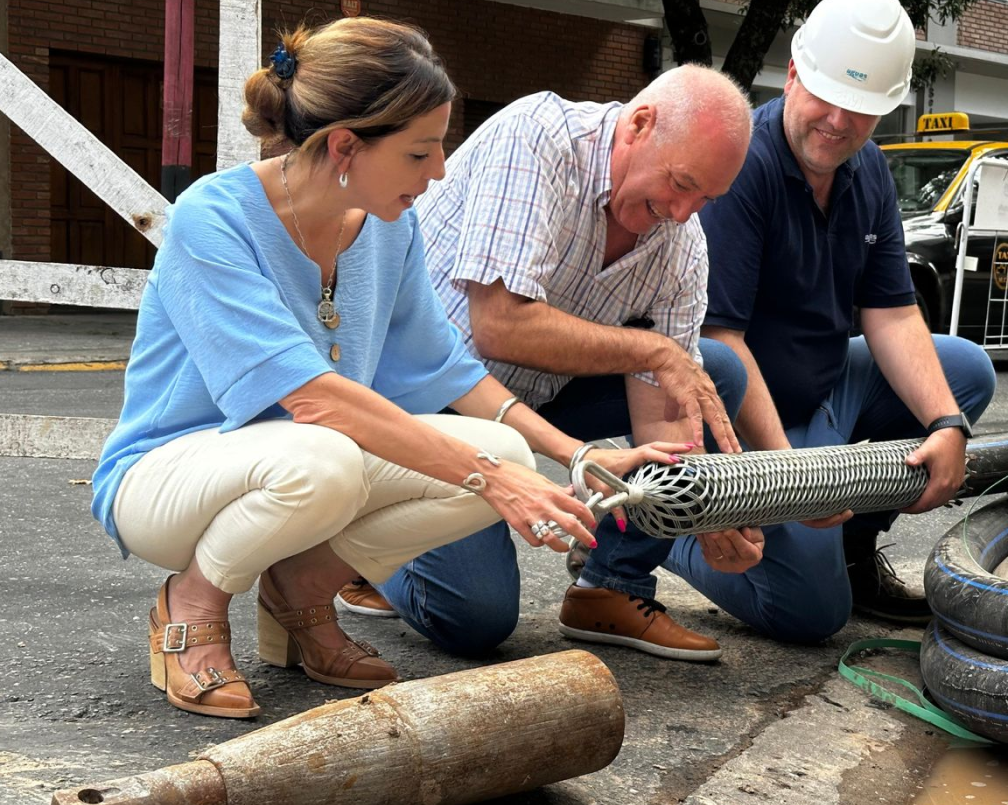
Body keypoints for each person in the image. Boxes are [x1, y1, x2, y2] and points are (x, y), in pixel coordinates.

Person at [90, 17, 685, 719]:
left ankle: (301, 592)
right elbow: (312, 400)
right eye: (420, 153)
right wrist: (492, 483)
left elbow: (446, 372)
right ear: (345, 146)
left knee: (502, 449)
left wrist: (574, 455)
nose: (437, 175)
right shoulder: (211, 218)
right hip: (167, 478)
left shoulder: (388, 227)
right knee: (345, 457)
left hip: (307, 465)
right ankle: (191, 600)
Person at [344, 65, 758, 662]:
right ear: (639, 125)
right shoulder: (538, 136)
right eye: (681, 183)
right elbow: (500, 325)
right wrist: (650, 348)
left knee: (708, 372)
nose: (684, 212)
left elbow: (663, 417)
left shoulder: (682, 243)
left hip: (530, 397)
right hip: (421, 401)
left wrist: (697, 512)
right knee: (475, 618)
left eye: (706, 199)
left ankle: (610, 588)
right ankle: (367, 548)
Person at [666, 0, 997, 639]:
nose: (839, 121)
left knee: (965, 373)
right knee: (812, 616)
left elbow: (894, 314)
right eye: (825, 97)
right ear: (793, 74)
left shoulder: (866, 168)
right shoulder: (744, 166)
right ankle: (672, 535)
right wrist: (795, 480)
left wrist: (947, 422)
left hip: (826, 386)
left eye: (862, 106)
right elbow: (721, 343)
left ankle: (852, 550)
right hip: (744, 408)